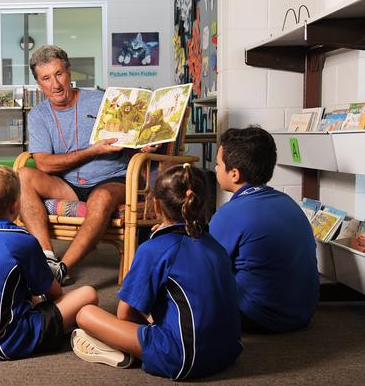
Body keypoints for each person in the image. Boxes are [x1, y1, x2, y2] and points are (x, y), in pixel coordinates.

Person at [70, 163, 242, 380]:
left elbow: (125, 314)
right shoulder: (215, 246)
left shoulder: (154, 249)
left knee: (86, 314)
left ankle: (122, 350)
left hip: (184, 359)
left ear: (156, 206)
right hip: (227, 352)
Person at [19, 44, 157, 284]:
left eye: (59, 74)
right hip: (68, 184)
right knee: (22, 175)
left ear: (70, 72)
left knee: (101, 198)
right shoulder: (38, 115)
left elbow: (131, 137)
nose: (56, 84)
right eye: (46, 78)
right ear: (39, 84)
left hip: (113, 179)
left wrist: (144, 143)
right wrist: (92, 150)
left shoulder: (103, 100)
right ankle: (47, 257)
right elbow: (44, 165)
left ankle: (61, 270)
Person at [0, 165, 98, 360]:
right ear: (16, 204)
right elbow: (54, 293)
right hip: (5, 341)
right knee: (87, 294)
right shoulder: (22, 240)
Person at [209, 126, 319, 333]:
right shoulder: (290, 203)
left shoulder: (230, 213)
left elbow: (204, 269)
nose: (215, 169)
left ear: (234, 174)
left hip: (259, 318)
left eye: (217, 164)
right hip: (302, 314)